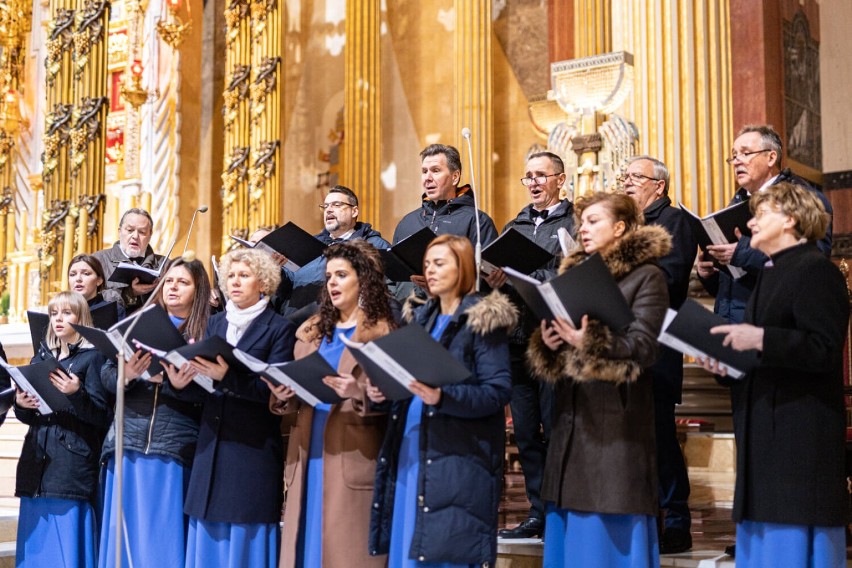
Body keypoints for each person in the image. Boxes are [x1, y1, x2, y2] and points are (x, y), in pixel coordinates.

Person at [698, 182, 849, 567]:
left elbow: (824, 350)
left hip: (800, 431)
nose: (750, 224)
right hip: (764, 424)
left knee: (794, 539)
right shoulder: (770, 273)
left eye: (761, 214)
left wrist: (761, 337)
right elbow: (759, 352)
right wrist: (724, 365)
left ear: (792, 220)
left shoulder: (817, 271)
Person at [526, 192, 670, 567]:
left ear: (620, 227)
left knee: (606, 516)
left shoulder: (647, 275)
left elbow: (644, 346)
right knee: (569, 513)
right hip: (573, 415)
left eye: (593, 221)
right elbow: (563, 348)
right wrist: (552, 342)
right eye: (581, 222)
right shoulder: (574, 275)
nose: (582, 229)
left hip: (616, 419)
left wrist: (586, 340)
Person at [369, 234, 515, 567]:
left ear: (463, 267)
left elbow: (497, 391)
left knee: (445, 550)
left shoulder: (481, 317)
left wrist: (442, 396)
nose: (430, 271)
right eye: (426, 264)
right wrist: (383, 393)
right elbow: (409, 382)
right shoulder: (421, 317)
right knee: (411, 547)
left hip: (455, 453)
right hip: (413, 448)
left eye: (440, 263)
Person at [268, 240, 395, 567]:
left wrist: (359, 392)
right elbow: (297, 392)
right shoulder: (310, 332)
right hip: (308, 456)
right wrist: (283, 397)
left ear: (362, 280)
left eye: (342, 274)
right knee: (305, 551)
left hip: (351, 454)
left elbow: (398, 400)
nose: (333, 283)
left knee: (345, 553)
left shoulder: (383, 333)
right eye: (329, 276)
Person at [182, 247, 296, 568]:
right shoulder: (212, 324)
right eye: (230, 275)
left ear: (263, 282)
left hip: (251, 448)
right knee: (208, 531)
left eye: (244, 275)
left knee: (246, 533)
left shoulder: (279, 328)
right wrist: (186, 377)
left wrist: (226, 377)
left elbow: (274, 393)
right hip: (210, 444)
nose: (235, 281)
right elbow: (202, 381)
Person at [98, 256, 211, 568]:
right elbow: (108, 376)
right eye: (169, 281)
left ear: (198, 290)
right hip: (128, 438)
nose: (173, 287)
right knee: (124, 536)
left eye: (183, 282)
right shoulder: (137, 320)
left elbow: (213, 393)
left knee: (162, 538)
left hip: (172, 445)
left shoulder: (207, 330)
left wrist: (177, 384)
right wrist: (128, 374)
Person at [490, 151, 575, 540]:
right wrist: (495, 278)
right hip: (517, 340)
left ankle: (562, 511)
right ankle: (537, 512)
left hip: (555, 341)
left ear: (560, 179)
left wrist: (528, 272)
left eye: (541, 175)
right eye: (528, 177)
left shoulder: (574, 222)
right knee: (525, 433)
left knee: (556, 428)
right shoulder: (515, 226)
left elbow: (571, 274)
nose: (534, 182)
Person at [623, 155, 697, 554]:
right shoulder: (627, 226)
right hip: (625, 344)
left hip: (657, 345)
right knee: (635, 439)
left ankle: (677, 520)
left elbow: (669, 280)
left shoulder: (674, 222)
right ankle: (645, 515)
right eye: (626, 177)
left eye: (637, 177)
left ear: (659, 185)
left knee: (661, 437)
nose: (628, 182)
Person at [698, 125, 832, 324]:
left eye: (745, 153)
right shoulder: (737, 202)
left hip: (772, 328)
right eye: (734, 156)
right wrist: (710, 274)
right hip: (733, 324)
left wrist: (742, 253)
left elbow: (813, 259)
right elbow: (738, 282)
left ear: (771, 157)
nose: (737, 161)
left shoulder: (802, 198)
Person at [14, 291, 110, 568]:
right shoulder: (40, 360)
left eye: (67, 313)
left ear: (82, 318)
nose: (58, 319)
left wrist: (76, 393)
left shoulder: (93, 359)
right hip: (37, 461)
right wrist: (23, 404)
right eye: (54, 313)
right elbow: (30, 417)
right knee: (36, 548)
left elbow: (102, 417)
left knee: (66, 549)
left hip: (70, 465)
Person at [274, 186, 391, 317]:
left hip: (341, 324)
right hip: (296, 325)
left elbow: (388, 290)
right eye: (326, 206)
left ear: (354, 211)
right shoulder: (306, 244)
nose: (329, 210)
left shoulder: (373, 245)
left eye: (336, 205)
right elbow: (285, 290)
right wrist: (278, 270)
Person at [393, 145, 497, 282]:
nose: (427, 178)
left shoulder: (478, 221)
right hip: (409, 303)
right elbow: (392, 277)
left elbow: (490, 277)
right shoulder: (407, 222)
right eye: (424, 171)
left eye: (435, 171)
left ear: (455, 177)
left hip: (459, 302)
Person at [93, 208, 164, 315]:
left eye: (142, 232)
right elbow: (88, 300)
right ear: (119, 232)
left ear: (150, 235)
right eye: (130, 230)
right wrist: (130, 293)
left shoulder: (165, 264)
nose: (135, 236)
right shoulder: (98, 260)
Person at [67, 254, 127, 321]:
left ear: (99, 280)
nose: (78, 279)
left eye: (86, 273)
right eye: (72, 274)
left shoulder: (114, 311)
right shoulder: (59, 309)